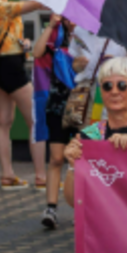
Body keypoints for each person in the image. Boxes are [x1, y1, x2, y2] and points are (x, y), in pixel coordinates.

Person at [0, 0, 48, 190]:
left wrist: (24, 43)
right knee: (36, 121)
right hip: (11, 68)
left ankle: (7, 175)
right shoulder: (2, 6)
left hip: (0, 65)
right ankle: (41, 177)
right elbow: (36, 4)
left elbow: (8, 36)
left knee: (3, 121)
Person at [32, 15, 78, 228]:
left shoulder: (91, 36)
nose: (71, 22)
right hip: (58, 102)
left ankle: (81, 207)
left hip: (83, 104)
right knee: (56, 158)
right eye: (68, 17)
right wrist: (51, 25)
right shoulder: (56, 33)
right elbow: (36, 52)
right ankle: (51, 208)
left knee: (80, 159)